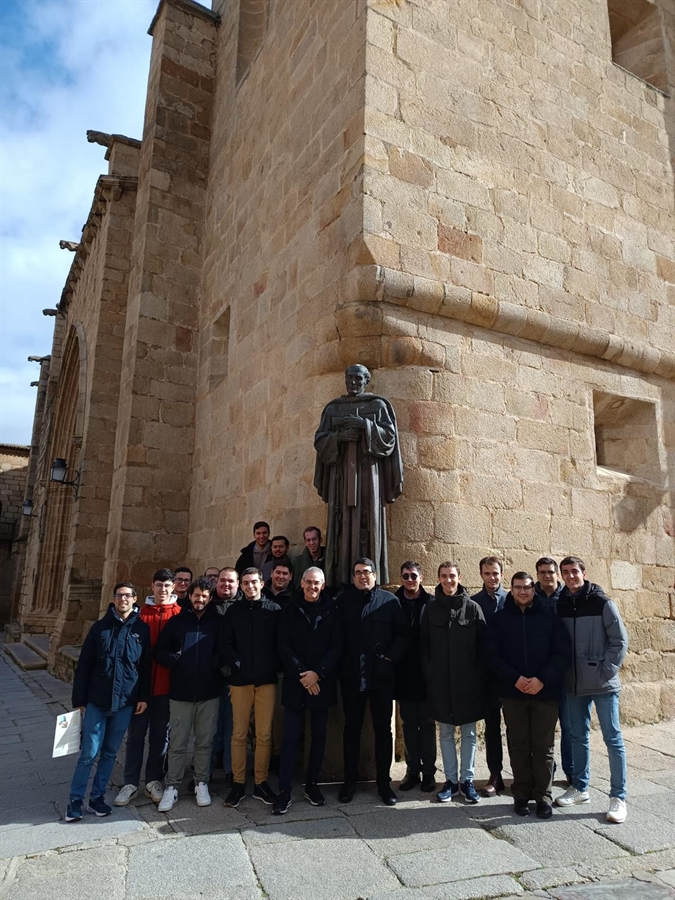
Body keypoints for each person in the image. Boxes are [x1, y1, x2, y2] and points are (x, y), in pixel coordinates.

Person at [486, 572, 571, 819]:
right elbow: (491, 655)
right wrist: (515, 679)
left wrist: (542, 680)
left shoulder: (550, 619)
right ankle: (521, 794)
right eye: (517, 588)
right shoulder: (499, 620)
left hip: (545, 692)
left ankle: (543, 796)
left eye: (526, 587)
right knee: (518, 745)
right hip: (513, 693)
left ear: (533, 589)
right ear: (511, 590)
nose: (522, 592)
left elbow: (562, 654)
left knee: (544, 747)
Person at [65, 583, 150, 822]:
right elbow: (84, 666)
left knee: (110, 753)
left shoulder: (142, 630)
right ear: (113, 599)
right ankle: (75, 800)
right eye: (119, 595)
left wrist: (143, 697)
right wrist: (78, 699)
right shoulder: (99, 629)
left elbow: (145, 667)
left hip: (125, 702)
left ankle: (97, 797)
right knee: (89, 753)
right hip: (97, 701)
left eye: (127, 595)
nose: (123, 599)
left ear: (135, 599)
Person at [555, 557, 629, 824]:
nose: (570, 576)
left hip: (602, 683)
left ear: (584, 573)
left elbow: (620, 640)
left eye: (574, 571)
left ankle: (618, 797)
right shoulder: (562, 603)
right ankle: (580, 787)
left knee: (613, 738)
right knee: (577, 736)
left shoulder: (602, 602)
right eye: (565, 572)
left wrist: (605, 671)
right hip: (574, 683)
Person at [314, 365, 403, 586]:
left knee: (369, 519)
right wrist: (340, 437)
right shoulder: (333, 409)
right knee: (341, 522)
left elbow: (389, 437)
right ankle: (339, 578)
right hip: (340, 476)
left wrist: (365, 425)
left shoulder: (377, 405)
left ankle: (371, 578)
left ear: (366, 380)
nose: (353, 382)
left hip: (369, 475)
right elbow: (320, 440)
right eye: (349, 378)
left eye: (358, 378)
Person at [338, 557, 409, 806]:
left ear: (375, 575)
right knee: (351, 730)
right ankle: (349, 782)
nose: (362, 576)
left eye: (367, 572)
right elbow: (337, 637)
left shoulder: (389, 601)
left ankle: (383, 783)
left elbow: (402, 635)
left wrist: (389, 659)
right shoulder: (344, 601)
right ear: (353, 577)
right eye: (358, 572)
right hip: (352, 678)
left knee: (383, 731)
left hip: (381, 678)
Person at [273, 567, 343, 814]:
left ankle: (312, 785)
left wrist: (318, 673)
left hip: (321, 682)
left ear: (323, 585)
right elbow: (283, 644)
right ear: (302, 583)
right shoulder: (290, 609)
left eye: (317, 583)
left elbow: (337, 645)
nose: (313, 587)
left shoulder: (332, 610)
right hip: (297, 681)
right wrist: (304, 673)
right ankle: (284, 790)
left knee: (319, 737)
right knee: (290, 738)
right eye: (309, 582)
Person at [154, 577, 223, 812]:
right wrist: (178, 661)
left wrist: (212, 664)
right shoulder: (176, 622)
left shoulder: (217, 623)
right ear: (190, 596)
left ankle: (201, 782)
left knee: (205, 741)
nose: (200, 599)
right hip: (181, 692)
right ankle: (172, 786)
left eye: (204, 596)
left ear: (210, 598)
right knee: (177, 742)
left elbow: (224, 649)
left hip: (209, 691)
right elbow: (160, 651)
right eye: (196, 595)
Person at [115, 568, 181, 807]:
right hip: (140, 689)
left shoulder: (180, 614)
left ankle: (154, 779)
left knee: (160, 737)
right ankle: (130, 782)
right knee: (135, 736)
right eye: (159, 585)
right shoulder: (139, 614)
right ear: (152, 587)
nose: (163, 589)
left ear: (173, 587)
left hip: (167, 687)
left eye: (167, 585)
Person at [421, 562, 486, 805]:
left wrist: (477, 676)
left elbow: (483, 646)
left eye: (452, 576)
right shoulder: (430, 609)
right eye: (444, 576)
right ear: (438, 578)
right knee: (446, 732)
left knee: (469, 732)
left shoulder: (473, 608)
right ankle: (450, 781)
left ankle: (467, 781)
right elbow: (424, 645)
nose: (448, 581)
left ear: (459, 577)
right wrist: (430, 672)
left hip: (468, 683)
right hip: (440, 682)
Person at [219, 568, 281, 808]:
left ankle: (261, 782)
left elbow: (281, 643)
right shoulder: (233, 611)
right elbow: (224, 644)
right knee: (239, 733)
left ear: (262, 584)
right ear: (241, 586)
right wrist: (237, 664)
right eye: (245, 583)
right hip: (240, 681)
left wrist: (271, 665)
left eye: (253, 582)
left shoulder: (274, 610)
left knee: (264, 734)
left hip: (266, 681)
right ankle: (238, 782)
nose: (249, 586)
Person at [394, 561, 436, 792]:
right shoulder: (393, 602)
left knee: (427, 724)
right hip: (403, 673)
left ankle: (429, 771)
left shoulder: (431, 603)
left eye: (413, 576)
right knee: (408, 724)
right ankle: (412, 771)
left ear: (421, 577)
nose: (410, 580)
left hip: (426, 674)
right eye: (406, 576)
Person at [471, 556, 508, 797]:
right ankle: (496, 775)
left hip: (512, 674)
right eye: (487, 573)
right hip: (487, 676)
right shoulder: (474, 603)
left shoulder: (513, 598)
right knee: (492, 727)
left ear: (501, 574)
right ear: (481, 575)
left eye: (495, 573)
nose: (492, 577)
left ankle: (524, 774)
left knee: (517, 727)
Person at [535, 556, 573, 784]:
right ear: (537, 575)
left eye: (550, 571)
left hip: (566, 671)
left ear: (557, 573)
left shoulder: (568, 596)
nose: (547, 575)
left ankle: (571, 769)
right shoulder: (531, 596)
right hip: (540, 672)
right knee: (544, 727)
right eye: (543, 572)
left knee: (568, 725)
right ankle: (548, 768)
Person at [211, 566, 242, 780]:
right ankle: (206, 771)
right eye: (222, 580)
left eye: (231, 581)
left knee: (233, 724)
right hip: (210, 673)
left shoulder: (242, 607)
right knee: (210, 724)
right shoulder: (207, 605)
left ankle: (231, 769)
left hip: (235, 674)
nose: (226, 584)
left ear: (237, 584)